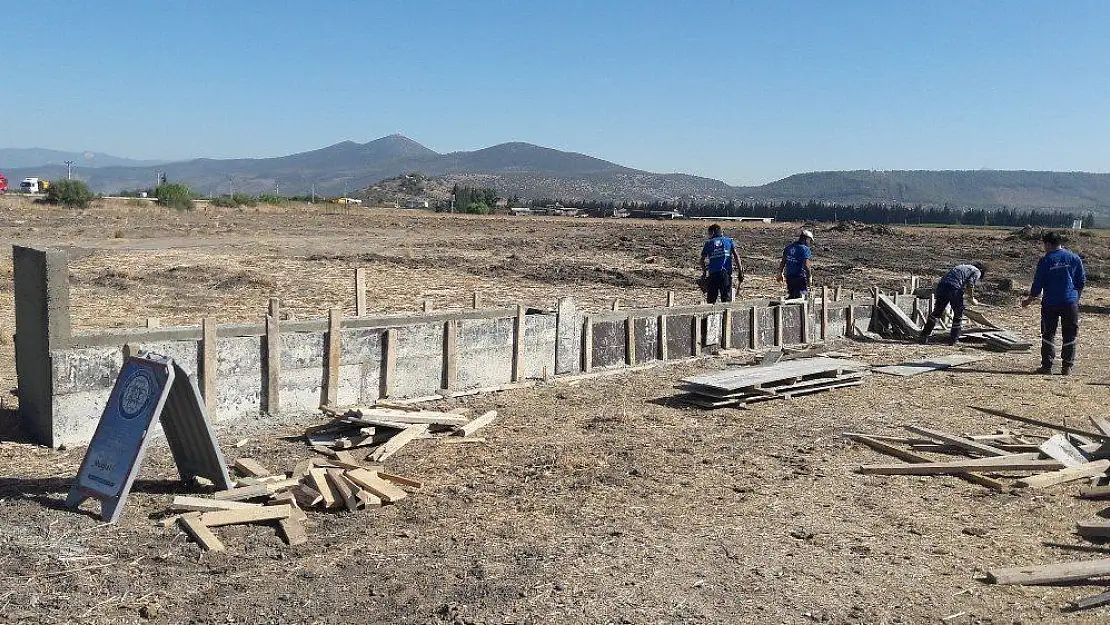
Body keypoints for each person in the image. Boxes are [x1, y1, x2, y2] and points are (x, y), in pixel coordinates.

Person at [1022, 231, 1086, 375]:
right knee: (1070, 334)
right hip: (1069, 302)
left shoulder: (1046, 260)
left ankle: (1047, 366)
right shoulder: (1074, 258)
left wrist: (1029, 299)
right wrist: (1076, 298)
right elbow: (1081, 281)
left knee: (1048, 333)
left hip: (1050, 303)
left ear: (1048, 244)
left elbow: (1038, 283)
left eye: (1044, 245)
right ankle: (1067, 366)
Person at [918, 262, 987, 345]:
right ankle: (953, 340)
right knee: (958, 314)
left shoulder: (962, 266)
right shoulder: (977, 271)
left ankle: (923, 336)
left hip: (942, 286)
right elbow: (970, 283)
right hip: (954, 287)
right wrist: (971, 298)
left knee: (936, 313)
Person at [699, 224, 744, 303]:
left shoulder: (709, 243)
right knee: (726, 300)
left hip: (713, 275)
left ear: (713, 232)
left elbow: (702, 260)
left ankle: (711, 314)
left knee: (711, 300)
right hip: (725, 274)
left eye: (709, 233)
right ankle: (726, 314)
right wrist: (740, 271)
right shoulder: (729, 241)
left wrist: (704, 273)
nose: (708, 235)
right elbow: (736, 256)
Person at [778, 230, 813, 299]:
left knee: (792, 296)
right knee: (802, 298)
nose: (809, 243)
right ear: (806, 239)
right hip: (800, 278)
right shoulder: (805, 249)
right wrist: (809, 277)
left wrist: (780, 273)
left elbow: (783, 261)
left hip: (789, 277)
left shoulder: (789, 247)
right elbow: (806, 265)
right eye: (809, 240)